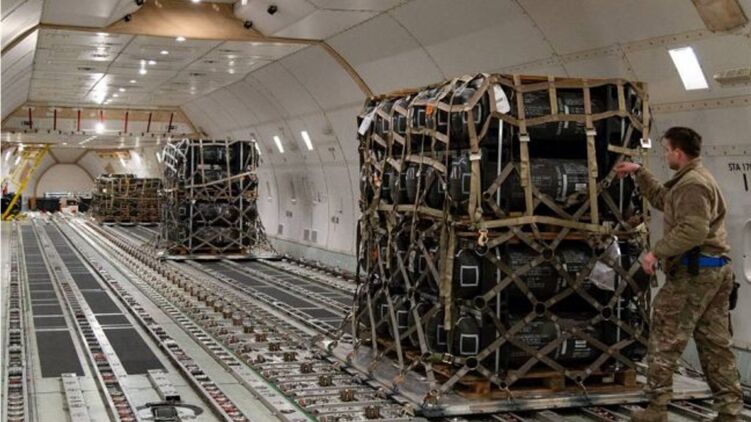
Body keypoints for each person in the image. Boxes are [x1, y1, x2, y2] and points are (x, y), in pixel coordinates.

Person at [615, 127, 742, 422]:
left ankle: (657, 408)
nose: (664, 155)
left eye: (666, 150)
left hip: (694, 274)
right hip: (714, 270)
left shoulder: (693, 185)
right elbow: (664, 199)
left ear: (678, 152)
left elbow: (693, 230)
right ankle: (729, 412)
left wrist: (655, 252)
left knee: (665, 336)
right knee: (715, 344)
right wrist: (639, 172)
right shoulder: (690, 179)